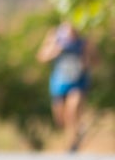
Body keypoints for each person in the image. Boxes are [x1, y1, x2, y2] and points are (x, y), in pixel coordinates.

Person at [37, 21, 96, 152]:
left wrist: (87, 60)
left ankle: (73, 145)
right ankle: (77, 132)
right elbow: (41, 57)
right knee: (61, 120)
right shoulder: (54, 36)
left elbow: (96, 60)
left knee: (72, 110)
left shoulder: (84, 41)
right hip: (59, 82)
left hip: (79, 81)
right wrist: (54, 52)